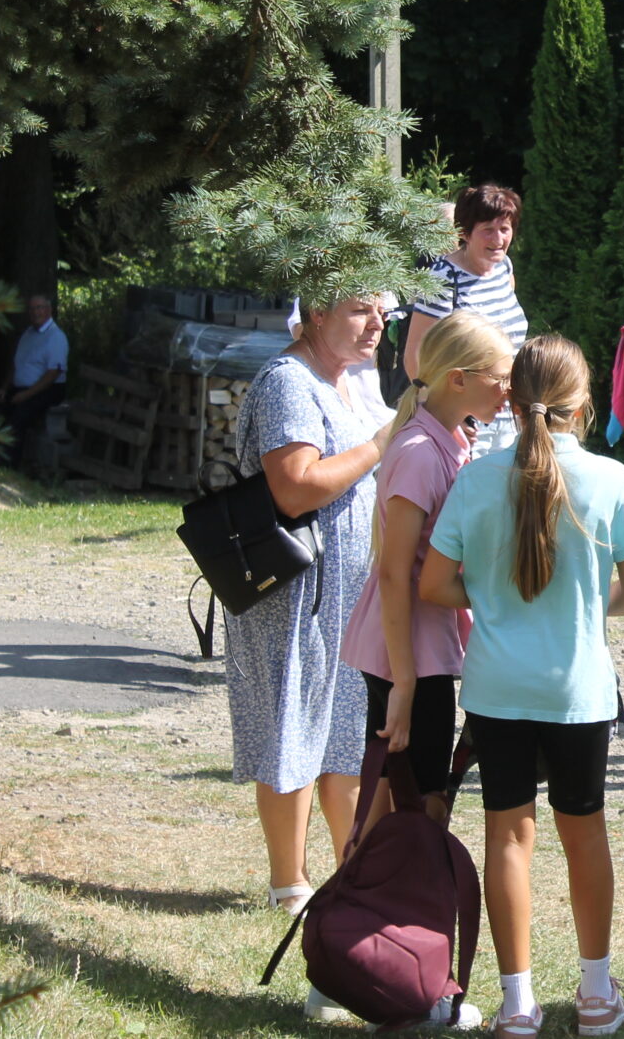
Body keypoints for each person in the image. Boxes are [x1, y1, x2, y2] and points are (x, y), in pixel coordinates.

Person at [420, 335, 624, 1039]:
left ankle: (517, 1003)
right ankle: (595, 993)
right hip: (577, 689)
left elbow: (434, 583)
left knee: (508, 836)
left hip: (497, 687)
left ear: (512, 402)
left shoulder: (475, 480)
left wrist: (492, 598)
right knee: (584, 833)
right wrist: (582, 603)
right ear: (582, 405)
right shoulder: (610, 479)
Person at [230, 292, 391, 1023]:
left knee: (345, 733)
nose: (377, 322)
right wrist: (381, 445)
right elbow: (294, 488)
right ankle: (288, 882)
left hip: (346, 591)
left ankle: (345, 872)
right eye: (361, 309)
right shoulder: (287, 382)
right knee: (292, 724)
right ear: (317, 313)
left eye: (382, 310)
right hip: (292, 593)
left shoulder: (349, 380)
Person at [338, 311, 513, 830]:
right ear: (458, 379)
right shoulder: (420, 452)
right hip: (409, 650)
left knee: (394, 788)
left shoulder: (449, 439)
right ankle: (392, 880)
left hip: (417, 643)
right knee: (422, 802)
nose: (508, 391)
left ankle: (366, 877)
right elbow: (395, 573)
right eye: (500, 378)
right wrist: (405, 682)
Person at [408, 183, 528, 454]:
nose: (498, 239)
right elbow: (415, 358)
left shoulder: (503, 267)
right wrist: (448, 416)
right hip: (468, 423)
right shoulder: (443, 279)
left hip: (508, 414)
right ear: (465, 233)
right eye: (487, 230)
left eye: (505, 229)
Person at [0, 293, 67, 469]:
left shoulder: (56, 337)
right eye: (32, 309)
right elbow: (16, 364)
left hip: (47, 389)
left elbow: (53, 374)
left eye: (39, 308)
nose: (35, 312)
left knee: (18, 418)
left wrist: (26, 395)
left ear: (48, 310)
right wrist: (4, 387)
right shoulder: (27, 334)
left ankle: (10, 467)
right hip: (21, 388)